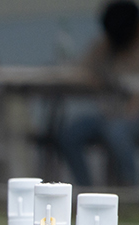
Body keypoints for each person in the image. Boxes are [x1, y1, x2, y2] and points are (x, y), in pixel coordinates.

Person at [59, 1, 139, 187]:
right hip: (108, 116)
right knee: (70, 134)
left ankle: (130, 192)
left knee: (117, 132)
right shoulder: (106, 45)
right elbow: (80, 71)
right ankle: (86, 190)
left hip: (131, 118)